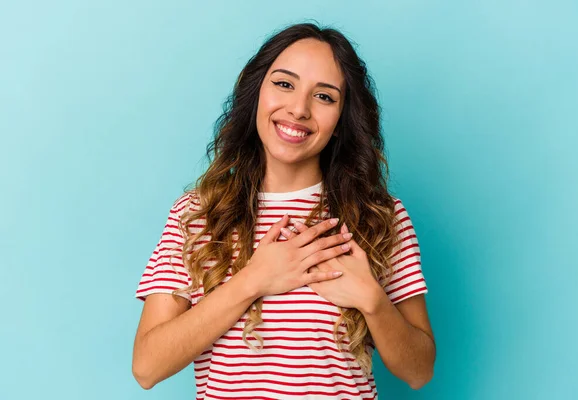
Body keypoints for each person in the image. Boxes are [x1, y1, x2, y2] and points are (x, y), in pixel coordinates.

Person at [132, 22, 435, 399]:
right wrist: (253, 280)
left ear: (342, 121)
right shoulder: (196, 214)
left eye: (324, 97)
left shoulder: (380, 216)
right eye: (284, 84)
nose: (298, 109)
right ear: (256, 93)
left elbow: (420, 371)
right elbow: (147, 366)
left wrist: (372, 301)